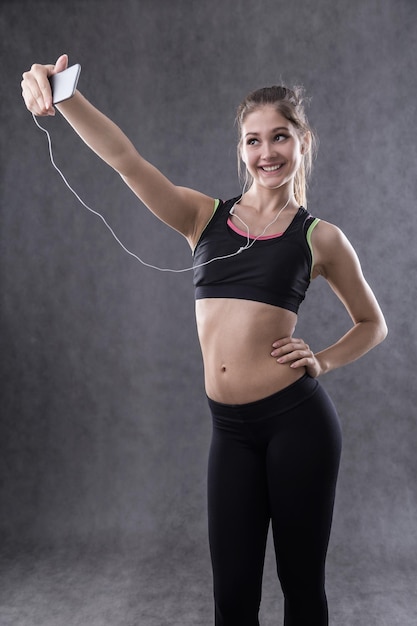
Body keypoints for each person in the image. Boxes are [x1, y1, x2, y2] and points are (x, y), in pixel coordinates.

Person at [21, 54, 387, 626]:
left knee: (301, 587)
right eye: (253, 140)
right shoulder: (203, 218)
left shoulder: (320, 238)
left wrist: (324, 359)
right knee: (233, 597)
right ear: (240, 149)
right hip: (231, 434)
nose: (267, 152)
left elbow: (373, 322)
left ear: (302, 141)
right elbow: (125, 161)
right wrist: (65, 95)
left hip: (299, 426)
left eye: (280, 137)